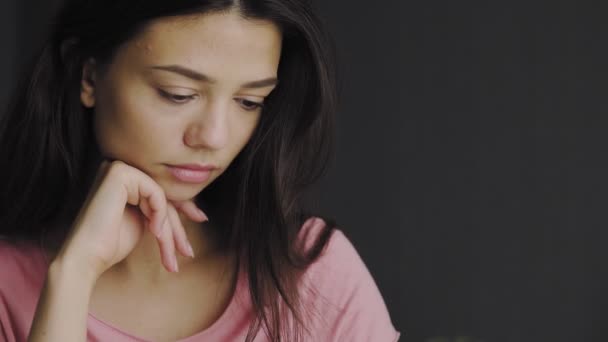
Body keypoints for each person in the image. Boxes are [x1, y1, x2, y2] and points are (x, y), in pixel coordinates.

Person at [0, 0, 400, 341]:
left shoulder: (313, 274)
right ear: (87, 74)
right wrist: (73, 275)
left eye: (249, 101)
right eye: (179, 94)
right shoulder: (7, 284)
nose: (214, 136)